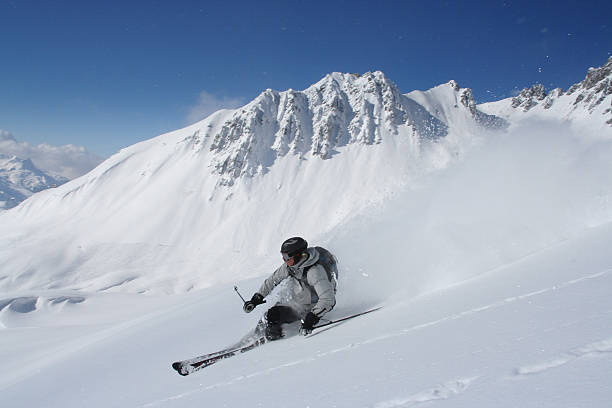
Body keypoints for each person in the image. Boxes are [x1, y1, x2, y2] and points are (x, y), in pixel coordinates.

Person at [243, 237, 337, 340]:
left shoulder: (314, 272)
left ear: (299, 256)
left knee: (272, 316)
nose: (285, 260)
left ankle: (274, 342)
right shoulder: (292, 266)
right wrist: (257, 297)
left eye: (287, 257)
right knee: (269, 315)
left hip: (311, 309)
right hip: (300, 302)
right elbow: (273, 280)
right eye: (283, 257)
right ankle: (258, 336)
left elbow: (328, 299)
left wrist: (312, 317)